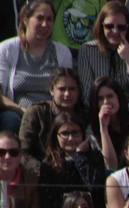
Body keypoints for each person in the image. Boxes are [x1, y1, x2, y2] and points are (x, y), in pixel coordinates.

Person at [0, 1, 75, 136]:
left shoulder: (62, 52)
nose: (45, 24)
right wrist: (24, 111)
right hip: (18, 113)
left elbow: (68, 90)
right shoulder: (6, 49)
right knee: (10, 120)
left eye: (49, 19)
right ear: (25, 19)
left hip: (52, 114)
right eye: (40, 18)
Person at [77, 1, 129, 106]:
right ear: (101, 26)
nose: (115, 31)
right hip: (99, 109)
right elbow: (87, 95)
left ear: (128, 28)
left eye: (121, 27)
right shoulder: (87, 50)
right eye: (109, 26)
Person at [18, 67, 84, 160]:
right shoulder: (36, 113)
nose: (67, 94)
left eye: (72, 89)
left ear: (78, 91)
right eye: (62, 89)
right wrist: (41, 168)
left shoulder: (85, 114)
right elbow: (23, 152)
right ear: (52, 90)